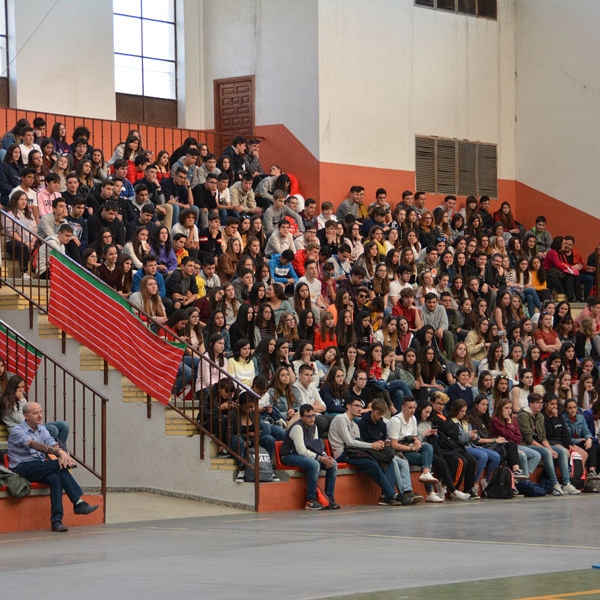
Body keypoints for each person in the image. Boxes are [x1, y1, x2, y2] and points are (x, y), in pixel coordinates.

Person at [7, 401, 98, 532]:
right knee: (57, 466)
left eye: (40, 412)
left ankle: (57, 521)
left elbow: (52, 444)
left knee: (56, 478)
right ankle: (77, 501)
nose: (39, 415)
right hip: (21, 468)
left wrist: (60, 452)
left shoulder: (42, 429)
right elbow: (34, 444)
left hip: (39, 466)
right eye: (35, 413)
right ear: (26, 416)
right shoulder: (17, 431)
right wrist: (60, 453)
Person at [328, 397, 404, 506]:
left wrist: (378, 445)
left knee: (388, 460)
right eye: (357, 406)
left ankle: (386, 496)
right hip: (343, 454)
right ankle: (392, 494)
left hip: (354, 452)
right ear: (348, 406)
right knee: (372, 464)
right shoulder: (341, 419)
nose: (360, 409)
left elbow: (358, 442)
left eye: (361, 406)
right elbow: (349, 443)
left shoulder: (354, 424)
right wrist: (372, 446)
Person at [279, 404, 340, 510]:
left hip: (303, 455)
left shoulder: (314, 426)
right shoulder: (297, 427)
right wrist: (320, 459)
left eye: (313, 416)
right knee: (314, 464)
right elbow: (301, 450)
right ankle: (310, 501)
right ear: (301, 417)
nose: (311, 419)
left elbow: (316, 446)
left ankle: (329, 498)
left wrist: (325, 456)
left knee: (333, 463)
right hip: (289, 455)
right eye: (308, 416)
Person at [388, 396, 442, 502]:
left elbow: (414, 436)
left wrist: (417, 441)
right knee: (426, 459)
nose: (412, 410)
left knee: (427, 447)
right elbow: (394, 445)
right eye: (410, 408)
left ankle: (426, 473)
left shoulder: (413, 418)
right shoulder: (396, 421)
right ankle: (429, 492)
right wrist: (412, 448)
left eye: (414, 407)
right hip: (400, 451)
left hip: (410, 446)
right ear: (403, 407)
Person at [516, 392, 566, 496]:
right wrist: (547, 450)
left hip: (537, 444)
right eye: (537, 403)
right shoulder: (523, 416)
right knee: (546, 453)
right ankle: (555, 483)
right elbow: (528, 439)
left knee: (562, 451)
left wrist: (550, 449)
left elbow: (543, 437)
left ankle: (566, 483)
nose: (540, 405)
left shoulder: (540, 416)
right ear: (530, 404)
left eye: (541, 403)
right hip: (525, 444)